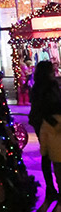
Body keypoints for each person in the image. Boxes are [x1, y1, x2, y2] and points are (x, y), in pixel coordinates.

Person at [28, 59, 61, 202]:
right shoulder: (51, 86)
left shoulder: (36, 87)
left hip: (40, 123)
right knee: (56, 155)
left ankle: (50, 188)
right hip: (50, 124)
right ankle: (55, 187)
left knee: (46, 154)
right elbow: (53, 105)